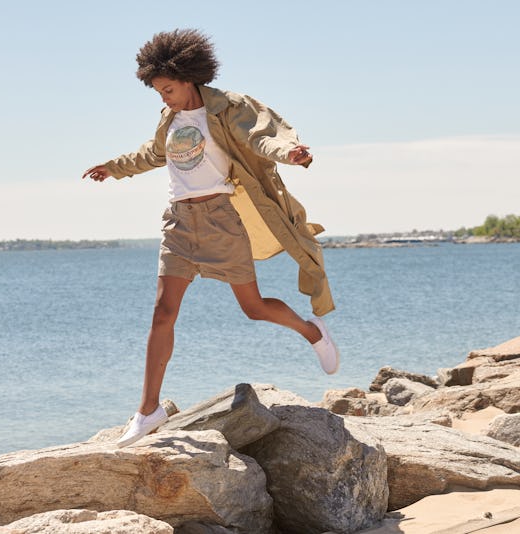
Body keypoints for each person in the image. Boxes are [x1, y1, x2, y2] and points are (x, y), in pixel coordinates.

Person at [82, 28, 338, 448]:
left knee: (253, 308)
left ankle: (312, 332)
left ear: (188, 78)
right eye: (158, 91)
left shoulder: (227, 107)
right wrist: (114, 167)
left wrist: (292, 153)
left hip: (221, 219)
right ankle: (149, 410)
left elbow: (264, 135)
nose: (163, 97)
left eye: (168, 89)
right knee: (163, 312)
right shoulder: (170, 118)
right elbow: (153, 154)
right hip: (179, 222)